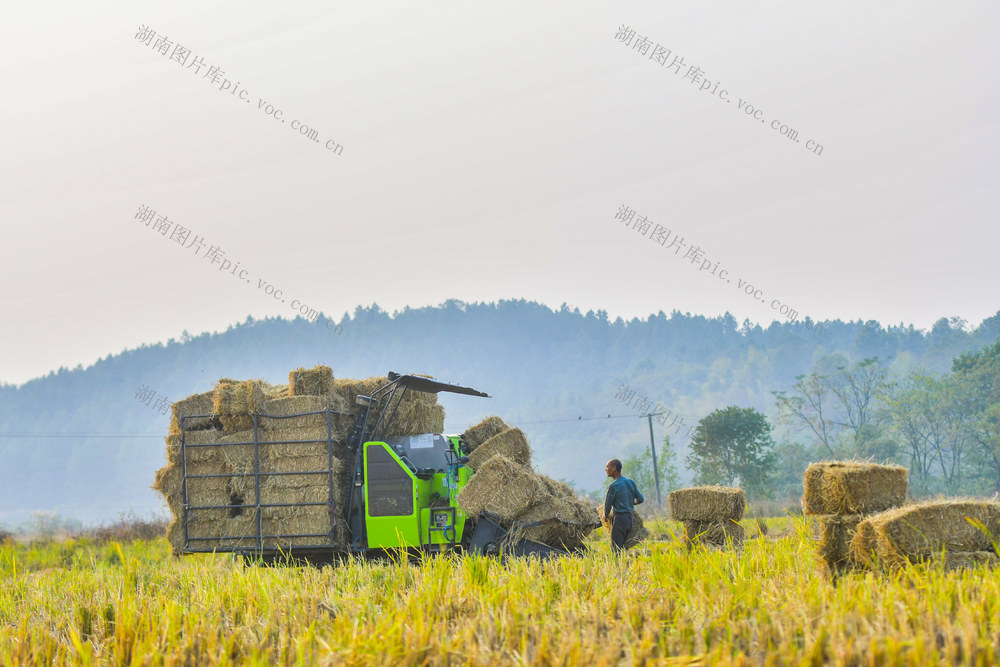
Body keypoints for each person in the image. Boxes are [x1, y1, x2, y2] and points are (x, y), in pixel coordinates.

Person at [604, 458, 644, 553]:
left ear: (614, 468)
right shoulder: (630, 482)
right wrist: (630, 502)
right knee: (623, 547)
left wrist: (605, 516)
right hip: (630, 519)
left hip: (620, 520)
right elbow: (640, 499)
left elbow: (607, 506)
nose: (605, 470)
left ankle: (617, 566)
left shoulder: (613, 486)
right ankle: (624, 565)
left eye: (607, 467)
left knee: (616, 549)